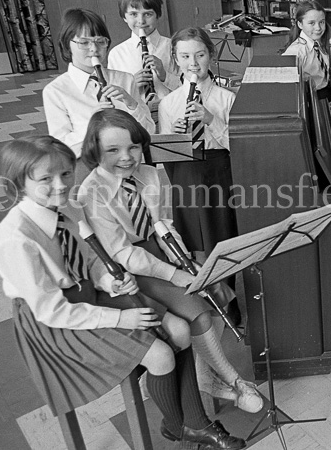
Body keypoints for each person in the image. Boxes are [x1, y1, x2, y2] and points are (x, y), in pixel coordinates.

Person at [0, 135, 245, 450]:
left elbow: (89, 259)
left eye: (66, 173)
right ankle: (185, 425)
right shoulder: (14, 240)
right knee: (161, 355)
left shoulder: (67, 207)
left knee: (179, 330)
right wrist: (122, 317)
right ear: (19, 183)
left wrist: (110, 282)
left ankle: (187, 423)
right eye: (45, 179)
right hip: (56, 322)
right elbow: (50, 311)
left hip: (89, 295)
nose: (61, 184)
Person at [77, 109, 263, 412]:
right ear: (94, 151)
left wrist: (184, 259)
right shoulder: (91, 192)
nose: (126, 157)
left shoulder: (148, 174)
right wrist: (175, 274)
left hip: (157, 252)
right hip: (127, 268)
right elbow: (123, 253)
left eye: (134, 147)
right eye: (113, 150)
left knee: (215, 288)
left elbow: (161, 224)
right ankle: (232, 379)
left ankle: (206, 375)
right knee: (197, 308)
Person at [158, 27, 241, 323]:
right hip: (186, 174)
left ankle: (230, 296)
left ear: (211, 55)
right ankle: (210, 297)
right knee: (195, 240)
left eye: (200, 55)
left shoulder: (226, 98)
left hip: (218, 172)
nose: (193, 63)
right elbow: (165, 157)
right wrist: (177, 139)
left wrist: (210, 120)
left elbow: (238, 146)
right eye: (185, 56)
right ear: (175, 59)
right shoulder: (169, 103)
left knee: (223, 235)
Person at [43, 9, 154, 161]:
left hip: (129, 162)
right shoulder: (55, 91)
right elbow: (60, 147)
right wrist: (93, 124)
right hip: (86, 167)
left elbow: (149, 131)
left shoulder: (126, 79)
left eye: (100, 41)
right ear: (67, 45)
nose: (94, 49)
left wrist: (132, 105)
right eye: (84, 42)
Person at [108, 0, 181, 110]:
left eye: (148, 14)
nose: (141, 21)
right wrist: (132, 85)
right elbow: (114, 99)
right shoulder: (117, 54)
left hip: (172, 113)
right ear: (124, 17)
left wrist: (165, 76)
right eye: (133, 14)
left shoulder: (174, 47)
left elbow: (189, 87)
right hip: (136, 117)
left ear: (158, 15)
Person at [282, 0, 331, 105]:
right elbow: (289, 89)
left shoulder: (318, 44)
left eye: (321, 22)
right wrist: (318, 107)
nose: (318, 28)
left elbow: (320, 74)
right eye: (311, 23)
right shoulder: (296, 51)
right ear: (300, 24)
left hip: (325, 96)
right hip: (311, 102)